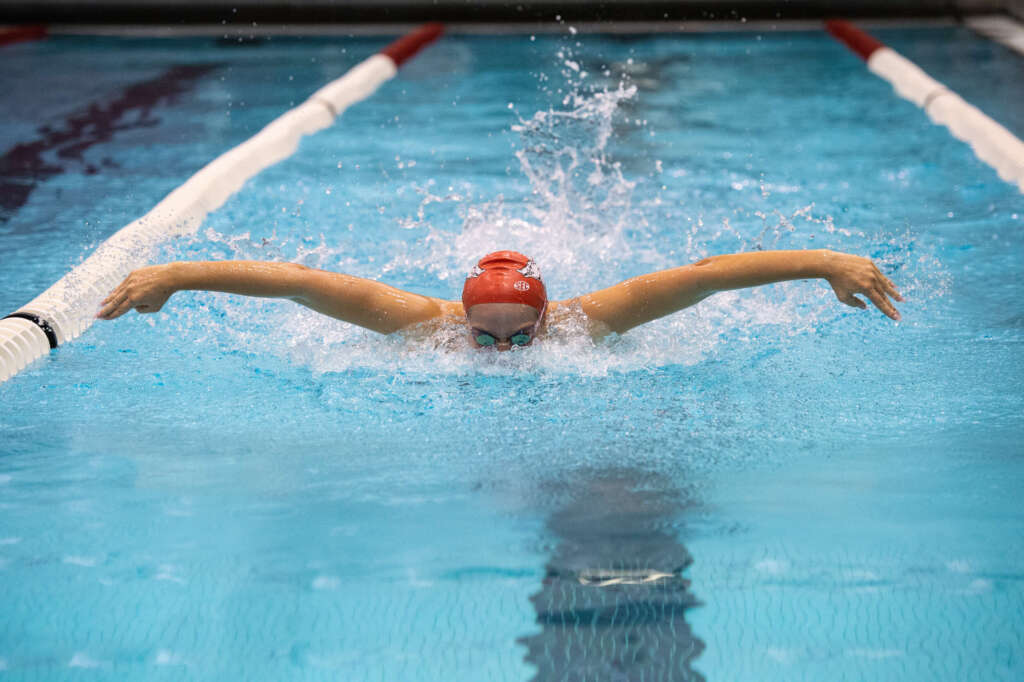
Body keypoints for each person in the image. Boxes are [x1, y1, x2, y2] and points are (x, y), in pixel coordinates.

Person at [96, 249, 902, 350]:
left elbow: (704, 278)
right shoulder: (423, 323)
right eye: (491, 340)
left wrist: (827, 263)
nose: (510, 355)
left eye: (523, 337)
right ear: (463, 320)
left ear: (549, 316)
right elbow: (309, 286)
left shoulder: (592, 318)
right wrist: (177, 274)